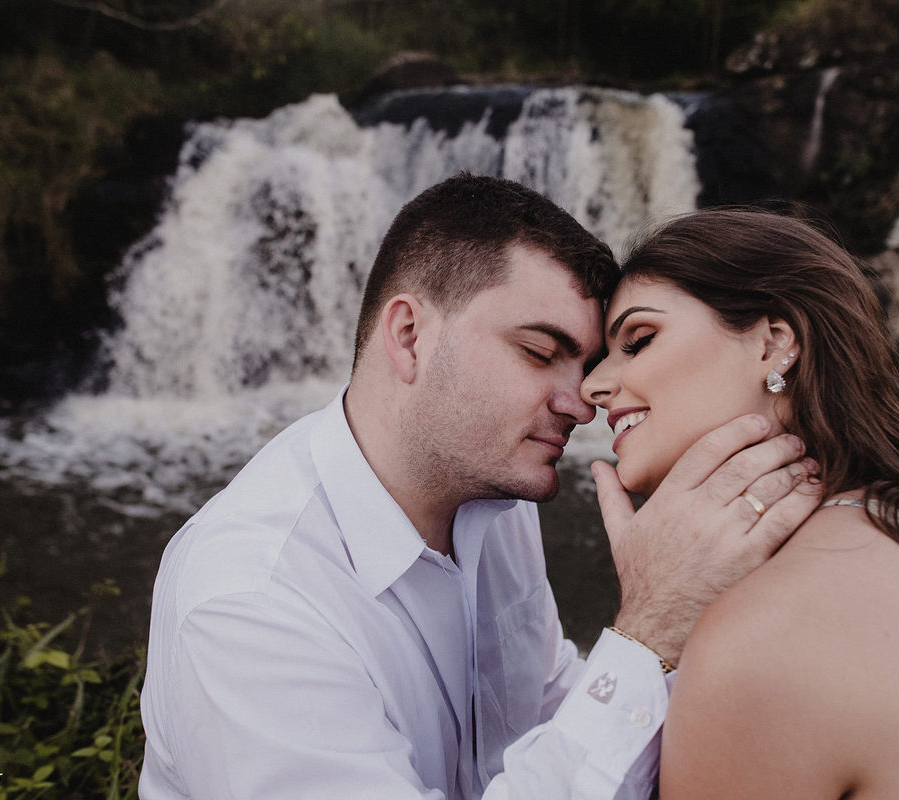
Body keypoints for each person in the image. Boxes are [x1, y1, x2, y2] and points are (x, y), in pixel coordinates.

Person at [138, 175, 821, 800]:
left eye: (584, 362)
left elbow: (545, 708)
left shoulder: (496, 505)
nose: (583, 403)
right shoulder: (251, 602)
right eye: (539, 353)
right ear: (408, 336)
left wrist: (702, 620)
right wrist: (648, 629)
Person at [580, 208, 899, 799]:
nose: (591, 387)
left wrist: (648, 621)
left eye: (638, 341)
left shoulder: (762, 637)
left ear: (775, 344)